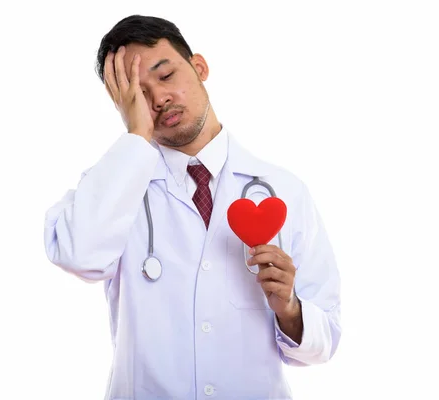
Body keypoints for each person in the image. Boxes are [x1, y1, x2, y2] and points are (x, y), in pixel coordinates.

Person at [44, 14, 341, 400]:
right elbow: (77, 254)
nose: (158, 99)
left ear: (199, 67)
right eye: (137, 94)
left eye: (165, 77)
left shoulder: (283, 190)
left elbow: (327, 339)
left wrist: (290, 309)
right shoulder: (113, 188)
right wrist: (137, 136)